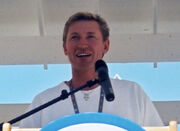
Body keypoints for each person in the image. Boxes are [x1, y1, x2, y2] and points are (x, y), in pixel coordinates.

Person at [20, 12, 163, 128]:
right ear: (65, 47)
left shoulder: (132, 93)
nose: (82, 44)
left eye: (90, 37)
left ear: (105, 46)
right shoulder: (44, 101)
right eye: (75, 37)